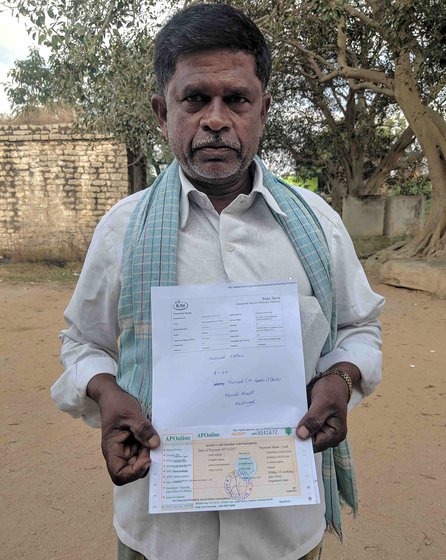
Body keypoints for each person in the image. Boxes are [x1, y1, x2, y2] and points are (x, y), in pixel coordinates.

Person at [51, 4, 384, 560]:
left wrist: (342, 379)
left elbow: (358, 327)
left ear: (264, 110)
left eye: (236, 99)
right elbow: (83, 343)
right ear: (163, 112)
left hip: (284, 533)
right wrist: (106, 393)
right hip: (159, 535)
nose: (215, 118)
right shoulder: (123, 231)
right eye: (195, 99)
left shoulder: (317, 224)